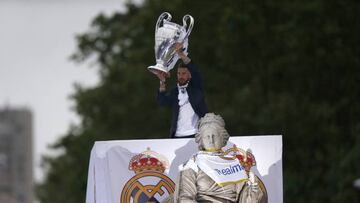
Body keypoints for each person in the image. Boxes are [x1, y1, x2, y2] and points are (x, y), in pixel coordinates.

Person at [171, 113, 267, 203]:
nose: (211, 140)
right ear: (200, 140)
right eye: (206, 136)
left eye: (214, 136)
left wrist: (254, 188)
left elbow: (245, 200)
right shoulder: (193, 164)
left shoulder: (233, 164)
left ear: (222, 138)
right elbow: (184, 198)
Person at [156, 43, 208, 138]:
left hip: (196, 135)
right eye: (179, 73)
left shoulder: (196, 87)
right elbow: (162, 102)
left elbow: (194, 69)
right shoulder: (175, 91)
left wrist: (181, 54)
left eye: (184, 73)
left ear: (190, 75)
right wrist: (162, 82)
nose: (181, 76)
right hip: (177, 135)